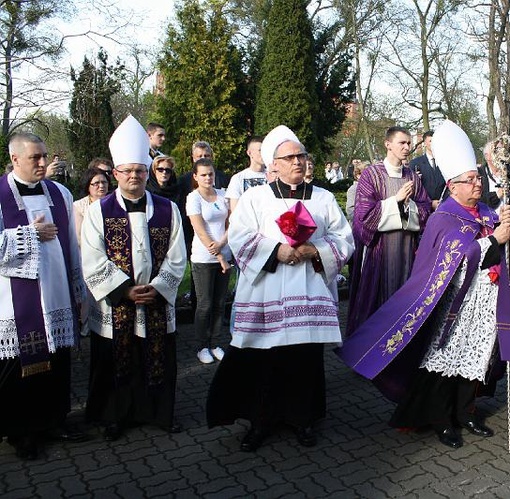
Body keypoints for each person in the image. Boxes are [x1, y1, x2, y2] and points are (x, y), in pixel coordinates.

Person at [338, 120, 510, 449]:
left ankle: (465, 411)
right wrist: (494, 238)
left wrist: (506, 228)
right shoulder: (444, 217)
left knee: (476, 357)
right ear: (453, 186)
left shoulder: (486, 212)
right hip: (453, 304)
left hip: (482, 303)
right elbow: (454, 256)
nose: (477, 183)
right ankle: (441, 419)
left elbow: (505, 246)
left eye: (478, 178)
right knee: (445, 360)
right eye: (469, 180)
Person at [206, 125, 353, 452]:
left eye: (301, 156)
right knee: (265, 362)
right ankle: (261, 422)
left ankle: (303, 420)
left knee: (304, 360)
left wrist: (316, 250)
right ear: (275, 163)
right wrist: (276, 251)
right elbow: (240, 237)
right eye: (290, 157)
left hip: (308, 293)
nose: (298, 162)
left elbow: (344, 237)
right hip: (267, 294)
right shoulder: (255, 198)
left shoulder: (324, 198)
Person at [81, 115, 186, 442]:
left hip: (155, 299)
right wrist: (125, 290)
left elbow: (178, 254)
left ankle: (158, 414)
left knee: (156, 358)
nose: (134, 177)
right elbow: (92, 256)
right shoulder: (99, 212)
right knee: (117, 360)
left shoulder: (169, 209)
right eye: (127, 171)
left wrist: (157, 288)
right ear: (115, 174)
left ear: (148, 171)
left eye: (140, 170)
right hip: (118, 304)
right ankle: (116, 416)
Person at [0, 132, 86, 460]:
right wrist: (28, 235)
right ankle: (21, 431)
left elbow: (72, 246)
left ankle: (54, 420)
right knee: (19, 370)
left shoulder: (60, 193)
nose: (42, 163)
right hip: (15, 304)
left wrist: (78, 290)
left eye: (44, 156)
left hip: (57, 296)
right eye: (35, 157)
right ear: (15, 160)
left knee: (57, 364)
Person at [346, 126, 431, 336]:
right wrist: (396, 201)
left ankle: (400, 352)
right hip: (380, 251)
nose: (407, 147)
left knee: (404, 299)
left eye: (409, 143)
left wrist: (408, 207)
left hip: (406, 249)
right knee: (378, 300)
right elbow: (364, 216)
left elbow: (425, 208)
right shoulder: (371, 174)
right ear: (388, 145)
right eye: (402, 143)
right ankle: (370, 352)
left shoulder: (412, 175)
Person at [186, 158, 231, 364]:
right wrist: (218, 254)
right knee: (205, 304)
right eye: (203, 174)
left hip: (225, 252)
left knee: (220, 303)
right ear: (195, 176)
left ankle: (215, 343)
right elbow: (200, 231)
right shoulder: (193, 198)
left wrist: (223, 244)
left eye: (210, 174)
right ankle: (201, 346)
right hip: (204, 258)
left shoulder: (223, 195)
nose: (207, 178)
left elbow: (233, 222)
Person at [226, 135, 270, 212]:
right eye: (260, 150)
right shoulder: (238, 178)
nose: (264, 153)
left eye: (265, 150)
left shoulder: (274, 176)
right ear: (249, 153)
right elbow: (235, 211)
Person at [73, 167, 111, 244]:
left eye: (104, 182)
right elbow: (78, 235)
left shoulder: (116, 202)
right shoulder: (79, 206)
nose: (101, 186)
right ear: (88, 186)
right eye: (96, 183)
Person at [409, 130, 445, 210]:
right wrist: (429, 203)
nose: (434, 143)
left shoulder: (444, 163)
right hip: (424, 208)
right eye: (430, 141)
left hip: (443, 207)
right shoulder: (415, 163)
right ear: (425, 143)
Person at [477, 140, 505, 211]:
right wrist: (497, 195)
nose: (501, 153)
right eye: (496, 150)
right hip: (486, 220)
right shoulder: (478, 175)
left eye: (502, 150)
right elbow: (474, 202)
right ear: (487, 156)